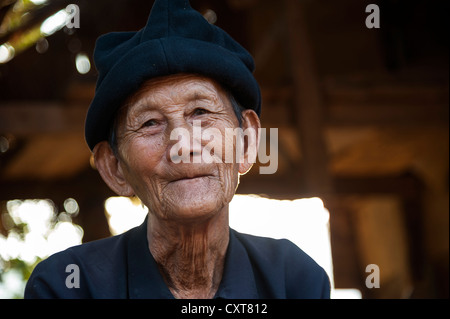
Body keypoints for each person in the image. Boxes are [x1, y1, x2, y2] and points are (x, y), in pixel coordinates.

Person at [25, 0, 330, 299]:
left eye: (200, 112)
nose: (183, 145)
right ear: (115, 168)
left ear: (246, 141)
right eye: (149, 123)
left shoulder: (294, 280)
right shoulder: (68, 286)